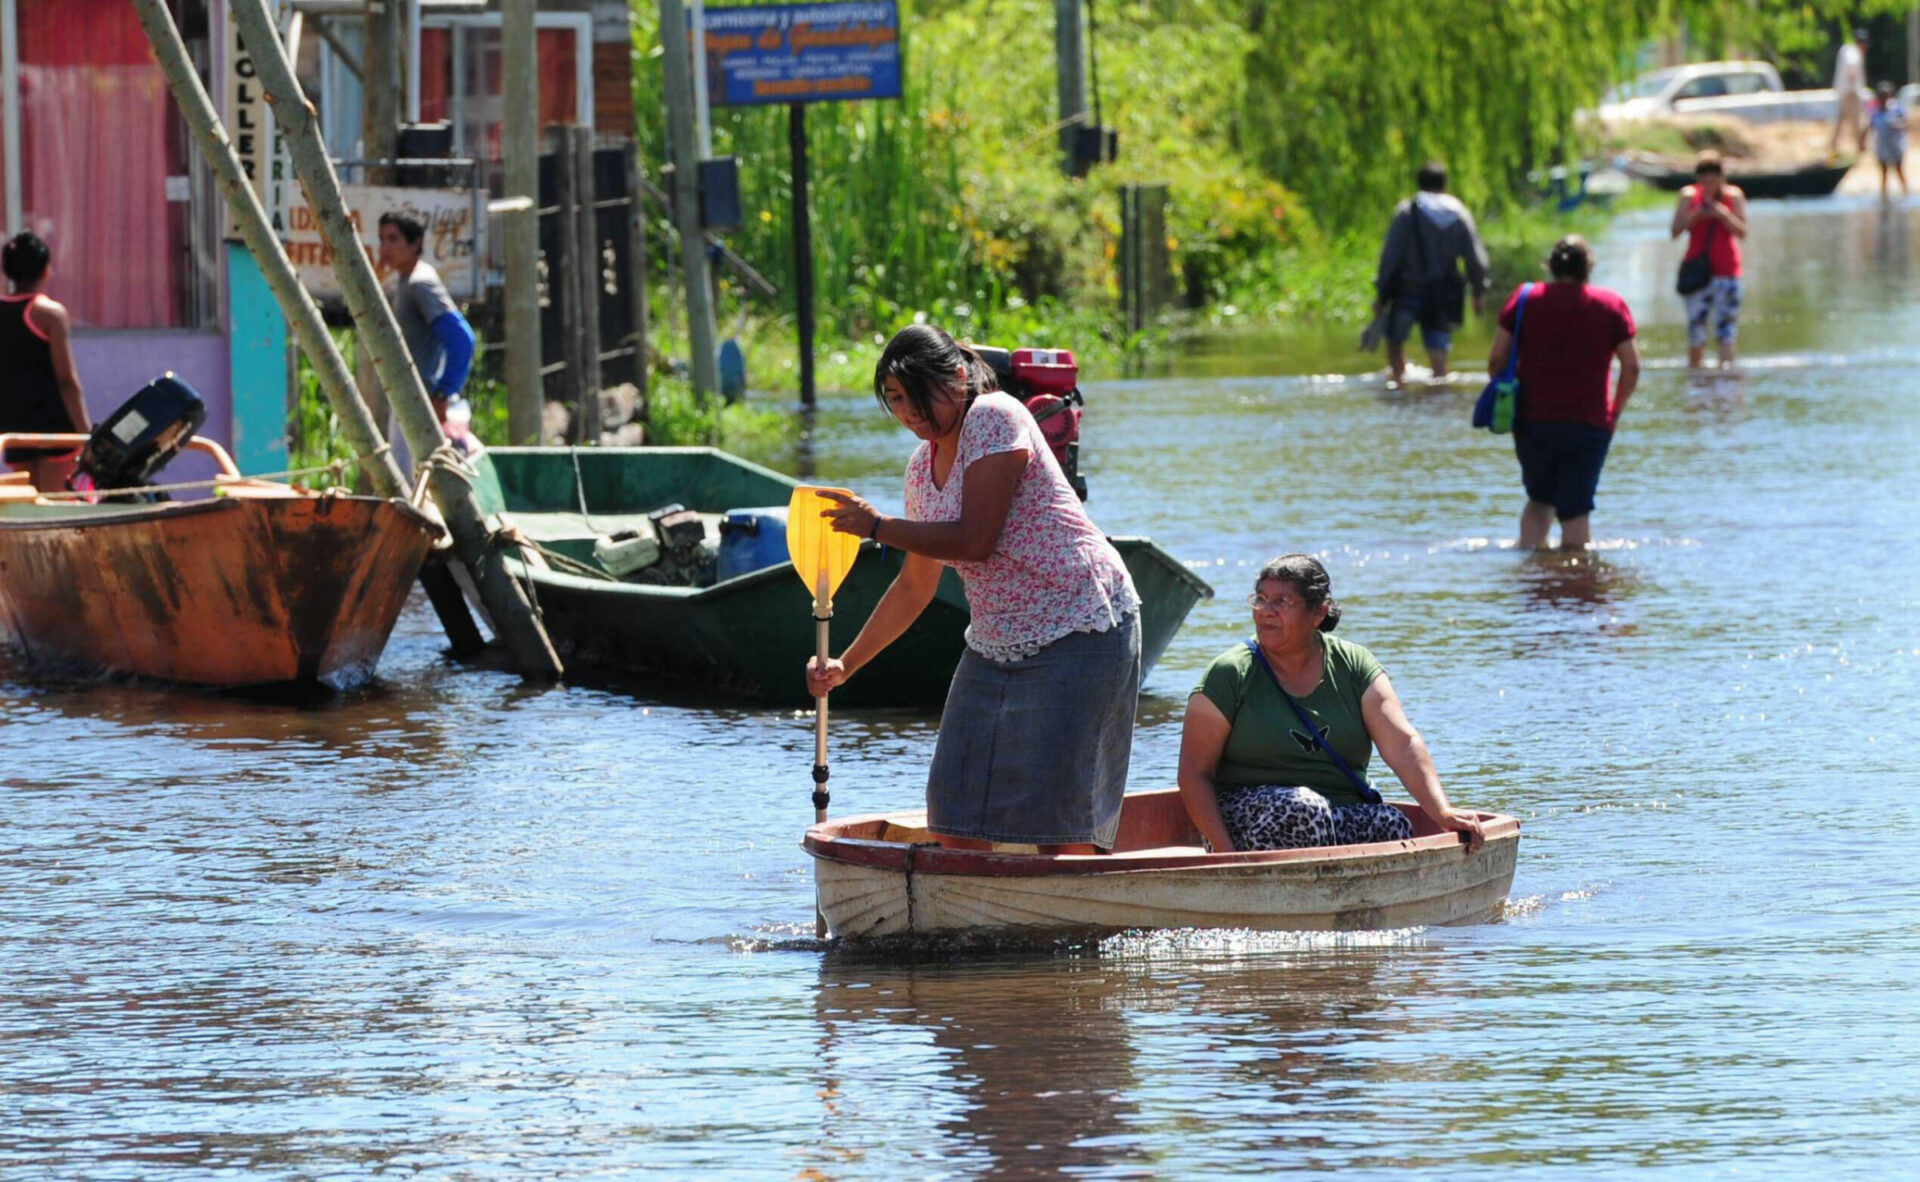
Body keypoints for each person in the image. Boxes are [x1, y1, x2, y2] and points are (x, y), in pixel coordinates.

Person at [805, 324, 1141, 855]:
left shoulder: (995, 415)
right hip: (995, 641)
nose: (909, 411)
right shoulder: (920, 470)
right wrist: (847, 665)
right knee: (954, 806)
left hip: (1081, 623)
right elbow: (915, 586)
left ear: (958, 378)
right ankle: (971, 921)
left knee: (1056, 818)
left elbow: (974, 541)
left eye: (919, 394)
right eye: (895, 398)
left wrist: (877, 526)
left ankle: (1066, 924)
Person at [1177, 554, 1485, 854]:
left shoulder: (1354, 663)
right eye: (1260, 599)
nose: (1265, 611)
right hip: (1244, 821)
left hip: (1333, 811)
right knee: (1304, 809)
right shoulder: (1229, 673)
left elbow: (1402, 743)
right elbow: (1193, 774)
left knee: (1390, 824)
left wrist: (1442, 811)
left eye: (1281, 602)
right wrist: (1227, 855)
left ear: (1318, 613)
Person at [1489, 236, 1640, 552]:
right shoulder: (1610, 305)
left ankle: (1532, 578)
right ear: (1589, 268)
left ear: (1552, 266)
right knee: (1575, 512)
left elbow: (1497, 359)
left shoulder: (1526, 298)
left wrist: (1507, 396)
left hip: (1532, 420)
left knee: (1539, 499)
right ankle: (1575, 589)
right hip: (1589, 423)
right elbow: (1631, 366)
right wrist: (1615, 411)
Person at [1371, 160, 1491, 384]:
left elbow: (1391, 256)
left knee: (1395, 343)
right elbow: (1476, 258)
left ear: (1419, 182)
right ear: (1445, 183)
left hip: (1407, 290)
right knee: (1438, 355)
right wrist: (1478, 291)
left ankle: (1398, 388)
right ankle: (1439, 400)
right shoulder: (1459, 213)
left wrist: (1382, 293)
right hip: (1442, 294)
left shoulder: (1407, 211)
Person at [376, 212, 480, 457]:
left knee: (415, 487)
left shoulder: (419, 284)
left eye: (394, 239)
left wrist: (443, 394)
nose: (386, 248)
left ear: (416, 244)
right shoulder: (404, 281)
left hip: (423, 404)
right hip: (411, 401)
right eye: (382, 240)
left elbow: (461, 339)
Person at [0, 232, 90, 491]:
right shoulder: (49, 314)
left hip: (16, 426)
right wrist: (86, 434)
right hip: (55, 427)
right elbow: (66, 380)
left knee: (28, 509)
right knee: (56, 507)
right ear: (46, 270)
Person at [1669, 151, 1748, 370]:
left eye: (1713, 181)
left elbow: (1742, 232)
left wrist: (1723, 214)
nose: (1708, 186)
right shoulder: (1688, 196)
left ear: (1722, 178)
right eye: (1704, 182)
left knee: (1726, 331)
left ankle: (1727, 378)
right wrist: (1695, 216)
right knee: (1696, 331)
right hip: (1697, 273)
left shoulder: (1733, 197)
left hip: (1727, 271)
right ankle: (1697, 379)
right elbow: (1674, 232)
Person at [1860, 80, 1909, 202]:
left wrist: (1896, 125)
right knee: (1884, 173)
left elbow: (1905, 123)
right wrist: (1862, 141)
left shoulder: (1896, 108)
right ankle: (1884, 198)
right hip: (1881, 145)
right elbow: (1868, 126)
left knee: (1899, 170)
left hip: (1896, 144)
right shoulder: (1875, 111)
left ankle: (1905, 194)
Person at [1830, 27, 1869, 156]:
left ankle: (1833, 146)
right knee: (1857, 121)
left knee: (1841, 120)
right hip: (1851, 92)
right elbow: (1851, 66)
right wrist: (1853, 80)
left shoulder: (1846, 50)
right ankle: (1860, 147)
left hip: (1844, 91)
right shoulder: (1854, 52)